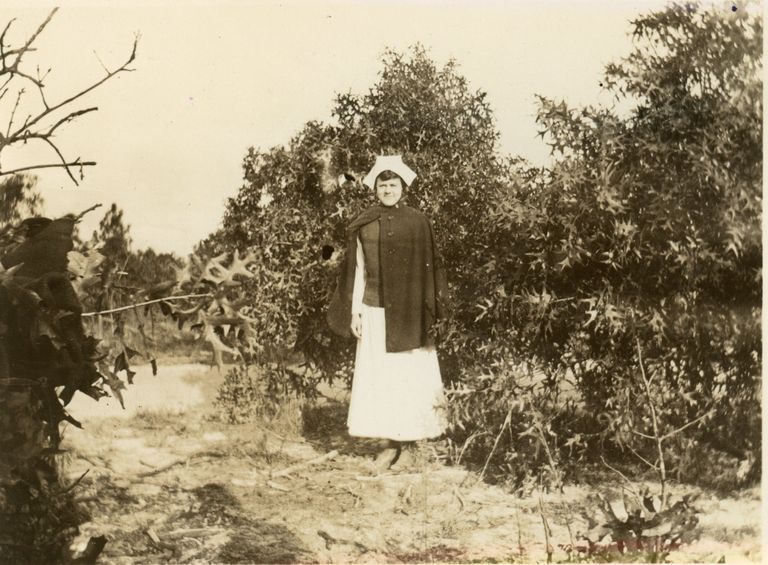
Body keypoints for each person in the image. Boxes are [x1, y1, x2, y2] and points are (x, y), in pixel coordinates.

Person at [327, 155, 448, 471]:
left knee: (408, 377)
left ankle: (410, 446)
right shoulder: (363, 223)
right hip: (374, 312)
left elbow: (431, 267)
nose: (388, 190)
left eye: (394, 185)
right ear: (375, 188)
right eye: (383, 185)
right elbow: (358, 272)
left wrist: (433, 309)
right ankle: (387, 446)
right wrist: (355, 312)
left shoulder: (418, 221)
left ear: (403, 188)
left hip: (409, 314)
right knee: (380, 380)